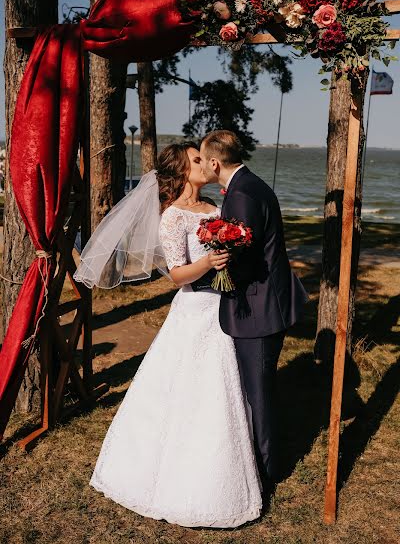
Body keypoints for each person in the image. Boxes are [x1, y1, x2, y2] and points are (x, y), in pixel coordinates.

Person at [73, 143, 263, 528]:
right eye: (196, 160)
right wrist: (208, 262)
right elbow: (176, 274)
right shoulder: (173, 217)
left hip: (221, 308)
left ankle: (219, 471)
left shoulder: (214, 208)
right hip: (195, 310)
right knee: (183, 391)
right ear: (181, 170)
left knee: (219, 390)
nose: (203, 164)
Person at [198, 129, 309, 492]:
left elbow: (245, 255)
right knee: (256, 387)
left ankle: (266, 473)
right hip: (265, 302)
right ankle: (262, 460)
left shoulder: (242, 193)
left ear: (215, 162)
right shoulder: (252, 184)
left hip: (259, 308)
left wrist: (218, 267)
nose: (201, 165)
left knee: (258, 391)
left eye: (202, 159)